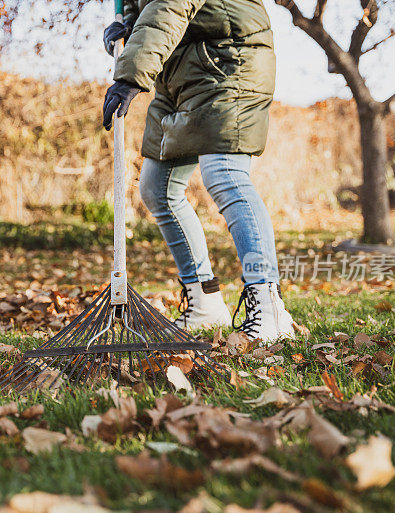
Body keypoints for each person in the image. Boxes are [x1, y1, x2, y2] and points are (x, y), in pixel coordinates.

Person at [102, 0, 295, 343]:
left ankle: (269, 305)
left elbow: (170, 5)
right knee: (156, 186)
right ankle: (205, 302)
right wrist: (128, 26)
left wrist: (131, 74)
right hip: (179, 74)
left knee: (225, 174)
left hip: (228, 59)